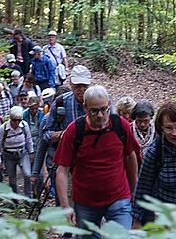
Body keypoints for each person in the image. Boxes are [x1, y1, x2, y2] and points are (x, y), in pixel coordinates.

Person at [54, 85, 140, 237]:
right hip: (85, 202)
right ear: (85, 108)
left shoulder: (121, 126)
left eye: (104, 109)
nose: (100, 115)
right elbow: (62, 170)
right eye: (94, 111)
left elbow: (130, 156)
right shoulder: (74, 131)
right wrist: (65, 206)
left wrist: (134, 190)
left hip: (119, 197)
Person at [33, 66, 92, 205]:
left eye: (84, 86)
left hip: (90, 164)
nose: (81, 89)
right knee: (64, 204)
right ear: (71, 84)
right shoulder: (61, 103)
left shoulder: (99, 102)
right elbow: (45, 136)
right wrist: (64, 135)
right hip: (63, 163)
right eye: (77, 85)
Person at [0, 106, 35, 197]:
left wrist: (31, 152)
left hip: (22, 153)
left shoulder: (24, 125)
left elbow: (28, 139)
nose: (16, 123)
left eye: (19, 120)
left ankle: (28, 197)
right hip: (8, 155)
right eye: (14, 120)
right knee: (12, 179)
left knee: (27, 174)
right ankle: (14, 199)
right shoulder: (3, 128)